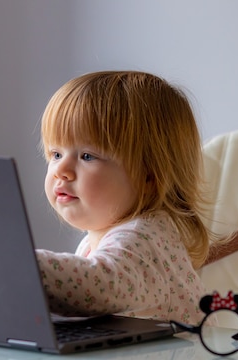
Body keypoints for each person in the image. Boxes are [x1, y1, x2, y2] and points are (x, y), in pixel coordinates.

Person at [36, 70, 210, 325]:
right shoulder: (92, 242)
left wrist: (24, 265)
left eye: (87, 156)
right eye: (56, 154)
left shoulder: (145, 236)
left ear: (149, 177)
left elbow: (98, 287)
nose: (60, 170)